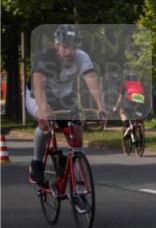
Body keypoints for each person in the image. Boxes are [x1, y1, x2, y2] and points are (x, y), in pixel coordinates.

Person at [26, 25, 108, 184]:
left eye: (73, 48)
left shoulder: (82, 57)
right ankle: (36, 162)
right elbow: (38, 83)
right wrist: (43, 109)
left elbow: (91, 79)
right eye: (65, 47)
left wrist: (101, 106)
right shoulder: (45, 57)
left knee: (76, 130)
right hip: (38, 94)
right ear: (56, 45)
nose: (69, 52)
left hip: (64, 95)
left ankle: (77, 170)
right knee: (45, 121)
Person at [113, 70, 145, 136]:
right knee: (139, 117)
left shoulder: (125, 84)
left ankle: (128, 126)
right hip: (140, 104)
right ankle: (141, 134)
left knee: (122, 111)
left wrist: (116, 107)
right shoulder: (140, 84)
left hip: (129, 103)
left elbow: (120, 98)